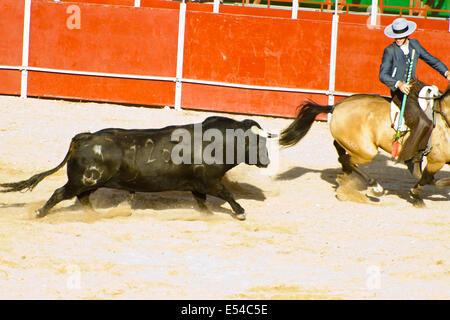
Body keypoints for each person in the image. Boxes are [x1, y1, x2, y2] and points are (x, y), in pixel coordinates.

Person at [379, 17, 450, 177]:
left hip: (416, 85)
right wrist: (398, 84)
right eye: (396, 35)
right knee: (422, 121)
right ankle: (413, 155)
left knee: (439, 100)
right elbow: (383, 74)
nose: (398, 38)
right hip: (400, 91)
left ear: (407, 34)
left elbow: (431, 59)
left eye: (401, 35)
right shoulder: (390, 50)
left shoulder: (415, 44)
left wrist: (446, 72)